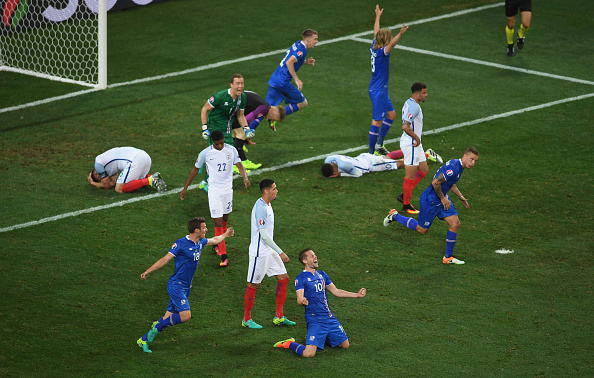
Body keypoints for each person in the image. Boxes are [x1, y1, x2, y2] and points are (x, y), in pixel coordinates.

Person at [136, 217, 235, 353]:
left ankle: (144, 340)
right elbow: (165, 259)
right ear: (196, 230)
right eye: (204, 227)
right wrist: (148, 271)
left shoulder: (200, 242)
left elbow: (215, 240)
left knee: (167, 317)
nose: (206, 230)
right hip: (176, 286)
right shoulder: (180, 244)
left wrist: (225, 234)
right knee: (185, 316)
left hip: (186, 287)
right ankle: (157, 325)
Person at [383, 147, 480, 265]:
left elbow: (450, 182)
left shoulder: (458, 166)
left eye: (475, 161)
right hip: (431, 201)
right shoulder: (453, 168)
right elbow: (436, 182)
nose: (473, 163)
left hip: (441, 199)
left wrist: (460, 196)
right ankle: (395, 215)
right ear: (464, 156)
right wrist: (442, 198)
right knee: (422, 229)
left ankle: (448, 257)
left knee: (455, 224)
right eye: (471, 159)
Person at [273, 248, 366, 358]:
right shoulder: (301, 278)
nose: (315, 257)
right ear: (305, 261)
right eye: (312, 256)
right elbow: (299, 298)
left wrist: (356, 294)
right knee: (309, 354)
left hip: (329, 317)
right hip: (315, 319)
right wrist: (302, 301)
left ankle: (321, 338)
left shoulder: (322, 275)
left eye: (315, 255)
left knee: (345, 345)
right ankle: (289, 343)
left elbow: (336, 291)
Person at [180, 130, 250, 267]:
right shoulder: (205, 153)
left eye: (222, 143)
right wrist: (185, 187)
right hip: (214, 192)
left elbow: (239, 165)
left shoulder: (231, 150)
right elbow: (195, 170)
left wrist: (245, 178)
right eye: (217, 144)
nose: (220, 146)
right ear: (213, 142)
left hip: (228, 191)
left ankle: (217, 243)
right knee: (218, 223)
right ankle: (224, 255)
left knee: (224, 219)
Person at [242, 179, 295, 329]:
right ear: (266, 191)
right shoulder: (260, 208)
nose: (276, 191)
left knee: (283, 278)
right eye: (274, 188)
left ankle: (279, 316)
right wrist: (281, 252)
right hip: (260, 252)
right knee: (254, 285)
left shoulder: (267, 204)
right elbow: (264, 236)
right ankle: (246, 319)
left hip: (268, 250)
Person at [368, 5, 408, 155]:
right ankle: (371, 154)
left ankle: (379, 145)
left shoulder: (374, 45)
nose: (391, 38)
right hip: (378, 91)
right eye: (389, 36)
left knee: (392, 115)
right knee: (376, 121)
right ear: (386, 40)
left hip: (380, 89)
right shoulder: (382, 52)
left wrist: (377, 16)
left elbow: (376, 32)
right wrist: (400, 34)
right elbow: (392, 44)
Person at [199, 74, 249, 191]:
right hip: (214, 129)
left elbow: (240, 115)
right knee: (218, 157)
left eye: (242, 83)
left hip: (227, 130)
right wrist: (204, 128)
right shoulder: (220, 96)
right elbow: (204, 109)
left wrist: (246, 128)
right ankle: (206, 181)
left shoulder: (242, 98)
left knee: (229, 156)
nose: (240, 86)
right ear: (231, 85)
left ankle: (204, 168)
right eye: (237, 84)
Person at [265, 29, 318, 130]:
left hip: (275, 77)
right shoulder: (302, 50)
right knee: (303, 103)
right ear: (308, 39)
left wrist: (305, 62)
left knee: (264, 109)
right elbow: (289, 62)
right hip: (283, 82)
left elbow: (292, 59)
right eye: (315, 39)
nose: (317, 41)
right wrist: (297, 79)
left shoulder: (298, 44)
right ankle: (275, 117)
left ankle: (245, 130)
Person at [231, 90, 286, 170]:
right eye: (275, 119)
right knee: (240, 133)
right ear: (276, 114)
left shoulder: (265, 106)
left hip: (233, 105)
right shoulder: (264, 109)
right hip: (233, 107)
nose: (272, 120)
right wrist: (246, 131)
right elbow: (248, 119)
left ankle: (236, 163)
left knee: (235, 135)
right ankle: (242, 162)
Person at [399, 82, 429, 214]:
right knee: (409, 177)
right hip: (411, 144)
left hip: (416, 144)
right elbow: (405, 126)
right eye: (424, 93)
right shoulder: (414, 107)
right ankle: (406, 205)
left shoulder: (409, 102)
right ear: (417, 94)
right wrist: (417, 138)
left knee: (423, 170)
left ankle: (404, 194)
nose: (426, 95)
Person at [88, 146, 166, 193]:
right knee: (130, 182)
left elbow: (107, 186)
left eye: (100, 179)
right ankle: (155, 178)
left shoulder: (98, 164)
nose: (104, 179)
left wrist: (93, 183)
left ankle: (150, 180)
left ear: (96, 174)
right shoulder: (108, 166)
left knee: (119, 189)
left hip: (135, 159)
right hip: (145, 156)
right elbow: (114, 182)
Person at [321, 148, 443, 178]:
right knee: (387, 157)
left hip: (372, 164)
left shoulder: (344, 167)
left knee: (398, 164)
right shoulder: (329, 159)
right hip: (364, 156)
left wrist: (341, 174)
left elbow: (358, 174)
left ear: (334, 170)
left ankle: (426, 155)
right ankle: (413, 149)